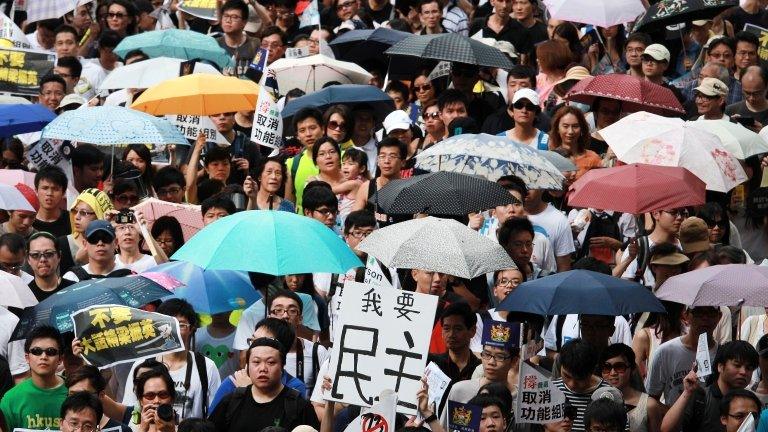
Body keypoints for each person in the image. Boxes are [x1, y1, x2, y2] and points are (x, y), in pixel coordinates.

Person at [122, 299, 220, 420]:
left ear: (192, 328)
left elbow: (215, 415)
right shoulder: (142, 366)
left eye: (181, 325)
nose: (173, 330)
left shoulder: (206, 367)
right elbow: (130, 412)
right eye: (167, 324)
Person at [209, 337, 320, 431]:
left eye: (271, 362)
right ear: (248, 365)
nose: (263, 369)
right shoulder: (231, 402)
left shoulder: (298, 406)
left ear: (282, 366)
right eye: (256, 362)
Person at [209, 318, 308, 412]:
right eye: (252, 340)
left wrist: (249, 392)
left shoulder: (294, 387)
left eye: (260, 342)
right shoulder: (234, 381)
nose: (252, 347)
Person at [660, 340, 758, 432]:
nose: (743, 372)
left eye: (749, 368)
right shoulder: (700, 397)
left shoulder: (751, 403)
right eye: (737, 365)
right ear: (720, 366)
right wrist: (687, 392)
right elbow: (667, 429)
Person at [440, 321, 518, 426]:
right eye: (486, 354)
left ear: (514, 361)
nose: (491, 362)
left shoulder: (522, 399)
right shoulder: (460, 390)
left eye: (500, 357)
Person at [646, 306, 721, 406]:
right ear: (686, 315)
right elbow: (651, 399)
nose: (705, 318)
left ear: (719, 317)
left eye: (711, 313)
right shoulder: (665, 352)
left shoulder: (723, 355)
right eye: (698, 312)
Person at [0, 325, 68, 431]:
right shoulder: (11, 399)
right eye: (36, 351)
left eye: (50, 351)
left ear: (60, 359)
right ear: (27, 357)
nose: (43, 357)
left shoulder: (73, 392)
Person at [266, 290, 328, 396]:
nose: (285, 315)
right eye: (278, 310)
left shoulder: (317, 352)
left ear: (300, 319)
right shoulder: (257, 352)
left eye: (292, 311)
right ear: (269, 318)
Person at [551, 339, 612, 432]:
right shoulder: (550, 391)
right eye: (567, 376)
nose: (571, 384)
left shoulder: (609, 395)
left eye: (580, 379)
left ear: (593, 370)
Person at [600, 344, 662, 432]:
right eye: (607, 367)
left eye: (619, 367)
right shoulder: (596, 400)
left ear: (632, 369)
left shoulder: (649, 405)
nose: (613, 373)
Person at [618, 208, 685, 287]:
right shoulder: (639, 246)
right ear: (656, 214)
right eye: (673, 212)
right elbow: (625, 286)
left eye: (682, 212)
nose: (679, 217)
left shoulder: (685, 245)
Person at [524, 185, 574, 273]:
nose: (526, 189)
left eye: (531, 184)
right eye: (522, 184)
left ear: (542, 188)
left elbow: (563, 267)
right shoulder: (507, 215)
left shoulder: (559, 220)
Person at [63, 220, 132, 282]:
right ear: (85, 244)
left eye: (106, 238)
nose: (100, 243)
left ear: (116, 243)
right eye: (94, 239)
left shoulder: (129, 276)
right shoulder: (71, 278)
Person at [66, 365, 130, 431]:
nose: (76, 400)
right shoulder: (64, 425)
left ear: (101, 395)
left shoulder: (122, 430)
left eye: (84, 395)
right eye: (72, 395)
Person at [429, 302, 481, 382]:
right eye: (446, 328)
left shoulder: (480, 368)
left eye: (458, 329)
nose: (451, 334)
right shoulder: (432, 363)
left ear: (472, 331)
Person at [285, 108, 325, 212]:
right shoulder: (292, 164)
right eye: (302, 130)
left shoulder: (341, 158)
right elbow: (289, 205)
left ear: (323, 129)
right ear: (297, 136)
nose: (308, 134)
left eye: (312, 128)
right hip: (302, 225)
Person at [548, 106, 601, 180]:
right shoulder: (550, 158)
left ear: (581, 128)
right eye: (565, 126)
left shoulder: (593, 158)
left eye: (575, 126)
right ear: (557, 128)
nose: (570, 131)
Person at [216, 0, 261, 77]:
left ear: (244, 22)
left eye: (234, 17)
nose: (228, 20)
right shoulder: (215, 45)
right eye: (226, 16)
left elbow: (258, 76)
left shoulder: (256, 45)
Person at [27, 232, 74, 302]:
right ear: (28, 259)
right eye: (35, 255)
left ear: (59, 256)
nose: (42, 259)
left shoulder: (74, 289)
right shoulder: (24, 296)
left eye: (49, 254)